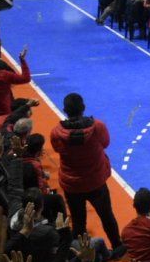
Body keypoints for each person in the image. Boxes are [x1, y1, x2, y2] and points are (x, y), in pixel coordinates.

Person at [50, 92, 123, 253]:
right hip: (95, 181)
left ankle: (81, 252)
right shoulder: (97, 127)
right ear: (83, 107)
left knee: (78, 222)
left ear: (65, 110)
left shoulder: (57, 133)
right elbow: (105, 143)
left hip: (72, 184)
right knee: (107, 216)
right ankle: (117, 245)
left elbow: (57, 149)